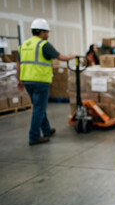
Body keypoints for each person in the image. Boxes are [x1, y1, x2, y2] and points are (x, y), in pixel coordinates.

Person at [17, 18, 76, 146]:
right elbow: (61, 57)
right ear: (42, 32)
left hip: (27, 80)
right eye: (47, 32)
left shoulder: (23, 45)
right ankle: (34, 136)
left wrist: (19, 79)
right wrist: (72, 56)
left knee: (39, 107)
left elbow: (18, 64)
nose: (48, 35)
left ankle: (46, 129)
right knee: (39, 108)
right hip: (40, 81)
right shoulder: (43, 44)